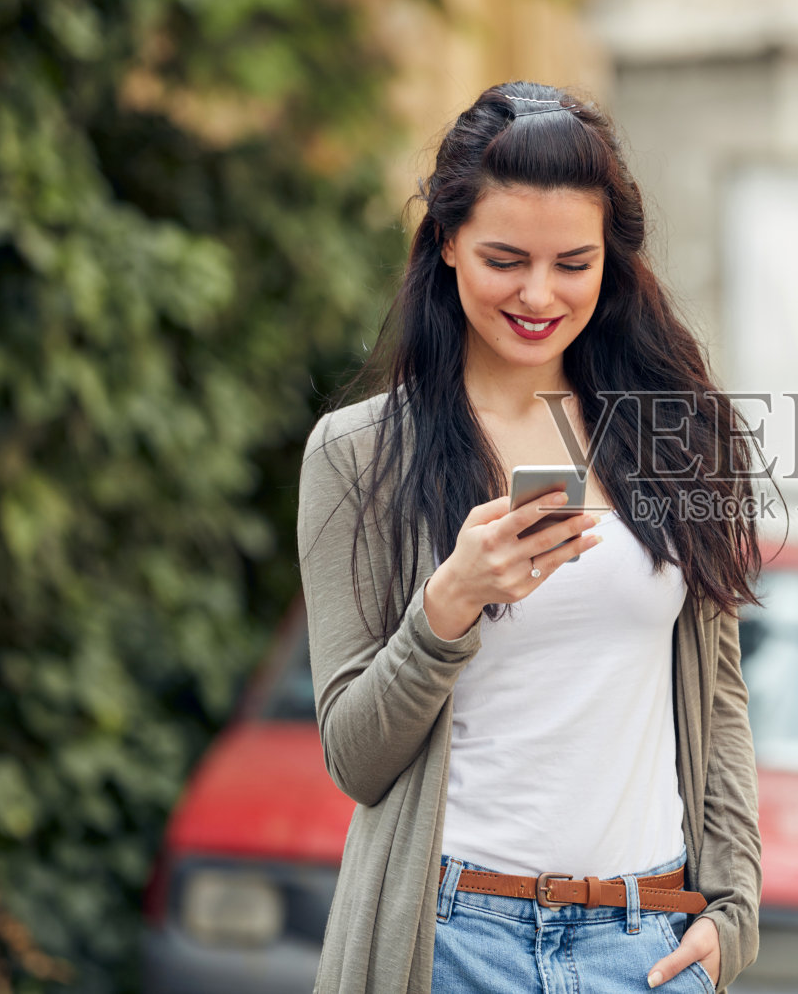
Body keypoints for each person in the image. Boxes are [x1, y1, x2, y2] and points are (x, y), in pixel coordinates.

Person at [297, 81, 767, 994]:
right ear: (444, 247)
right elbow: (355, 757)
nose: (540, 294)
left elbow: (720, 699)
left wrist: (733, 910)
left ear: (612, 262)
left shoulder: (671, 434)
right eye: (505, 258)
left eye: (573, 263)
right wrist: (449, 602)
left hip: (649, 943)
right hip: (453, 939)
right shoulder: (357, 456)